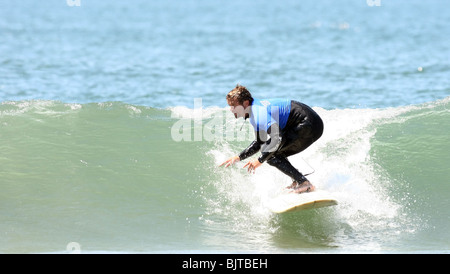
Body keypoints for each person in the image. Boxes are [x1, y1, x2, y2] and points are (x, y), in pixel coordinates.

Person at [219, 84, 324, 194]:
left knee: (271, 154)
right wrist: (239, 157)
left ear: (245, 103)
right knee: (271, 152)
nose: (231, 109)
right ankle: (299, 181)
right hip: (308, 123)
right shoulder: (254, 112)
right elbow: (260, 141)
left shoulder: (258, 113)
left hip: (309, 124)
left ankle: (304, 183)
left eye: (233, 106)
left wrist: (259, 160)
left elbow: (277, 137)